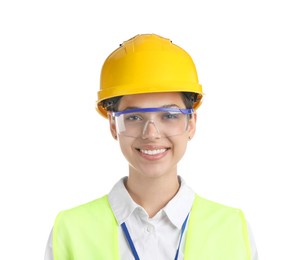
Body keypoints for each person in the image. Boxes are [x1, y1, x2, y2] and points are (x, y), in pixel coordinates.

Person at [45, 33, 258, 259]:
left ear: (191, 123)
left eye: (169, 115)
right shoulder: (71, 230)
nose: (152, 134)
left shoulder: (232, 229)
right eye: (134, 117)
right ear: (113, 125)